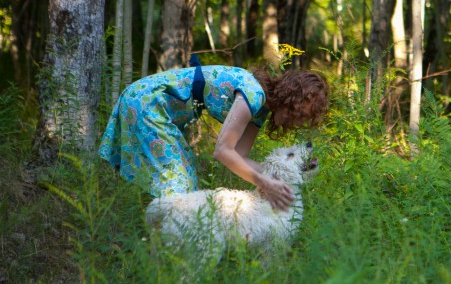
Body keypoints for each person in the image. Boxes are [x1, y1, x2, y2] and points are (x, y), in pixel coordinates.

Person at [98, 58, 329, 210]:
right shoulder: (254, 93)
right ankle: (166, 256)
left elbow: (239, 156)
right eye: (297, 112)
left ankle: (163, 247)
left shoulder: (259, 111)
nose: (296, 121)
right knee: (182, 191)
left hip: (155, 108)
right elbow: (223, 151)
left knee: (185, 186)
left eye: (303, 119)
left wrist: (283, 175)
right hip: (146, 102)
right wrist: (264, 183)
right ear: (290, 98)